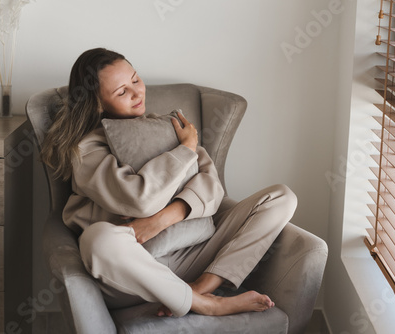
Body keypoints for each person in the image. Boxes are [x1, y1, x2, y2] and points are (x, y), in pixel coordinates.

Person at [41, 47, 298, 318]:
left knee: (282, 197)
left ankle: (201, 287)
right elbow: (139, 200)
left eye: (135, 80)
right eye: (121, 92)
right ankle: (207, 305)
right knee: (98, 240)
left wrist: (162, 220)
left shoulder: (168, 127)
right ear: (97, 103)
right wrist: (186, 149)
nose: (137, 93)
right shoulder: (86, 150)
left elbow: (213, 189)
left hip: (194, 255)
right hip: (135, 271)